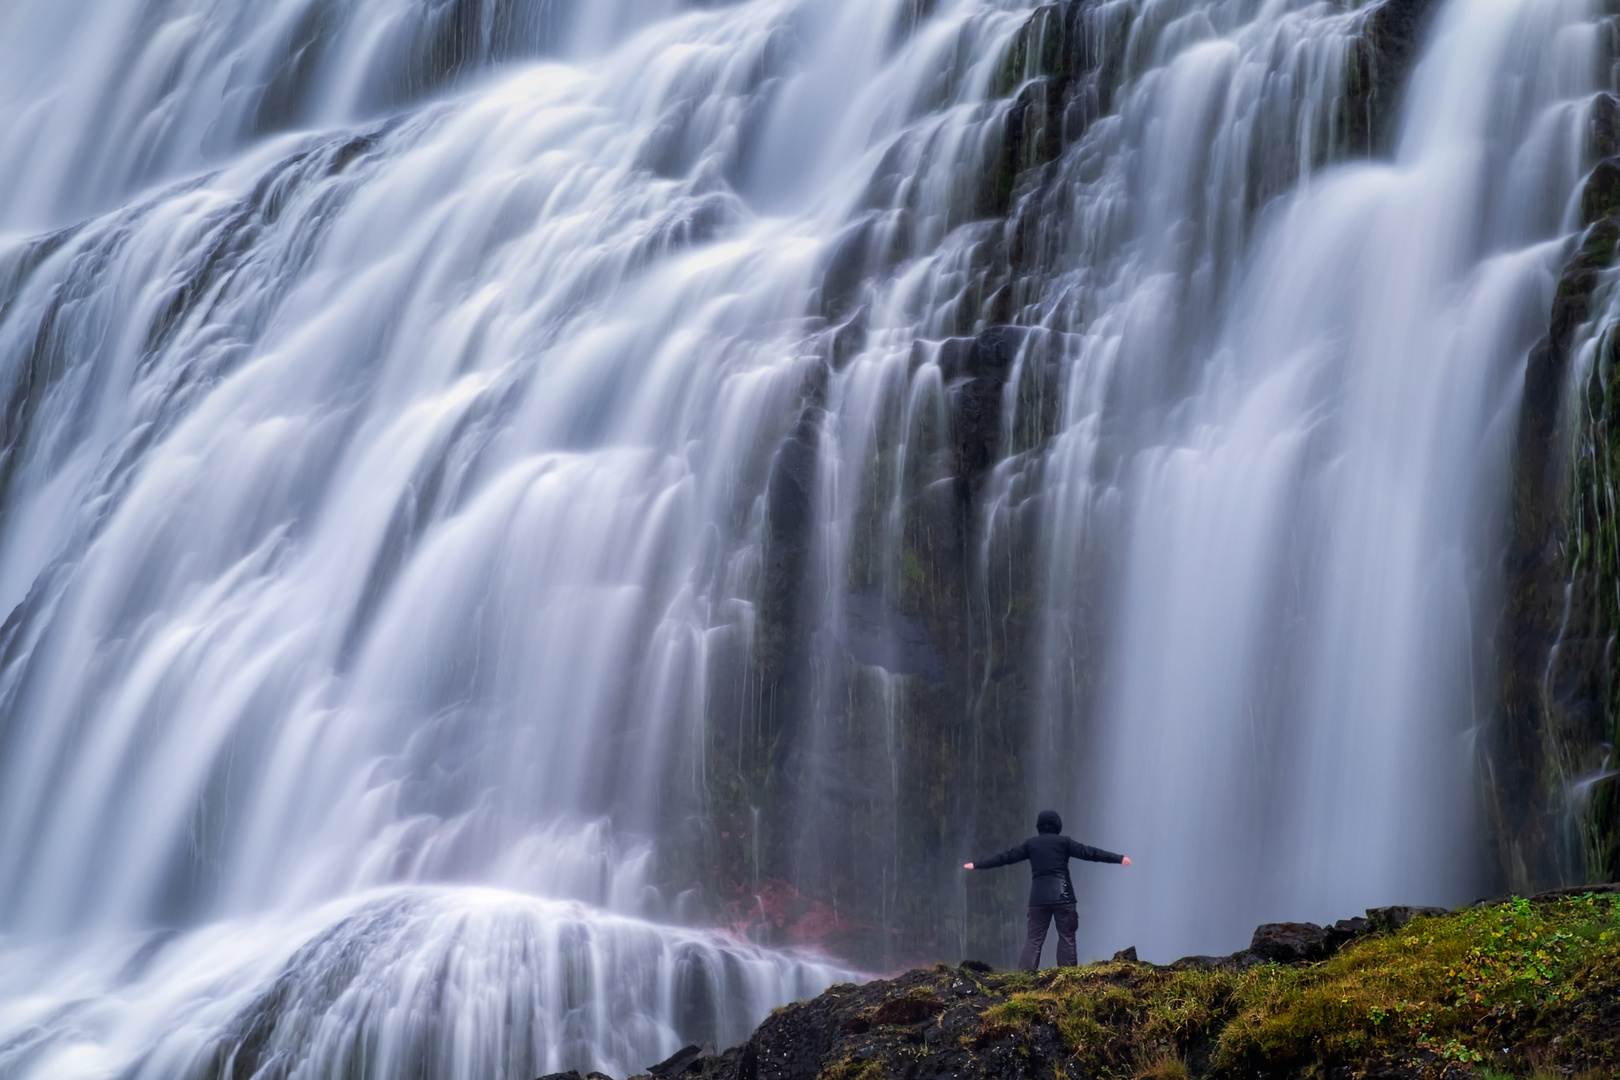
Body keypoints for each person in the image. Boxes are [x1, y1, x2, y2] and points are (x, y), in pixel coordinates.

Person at [963, 810, 1129, 972]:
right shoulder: (1065, 842)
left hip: (1038, 899)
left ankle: (1025, 975)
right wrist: (1118, 858)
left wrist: (977, 865)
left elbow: (1006, 858)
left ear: (1038, 826)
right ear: (1058, 826)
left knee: (1034, 938)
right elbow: (1091, 853)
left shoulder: (1031, 844)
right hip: (1064, 896)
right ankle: (1067, 975)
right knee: (1067, 937)